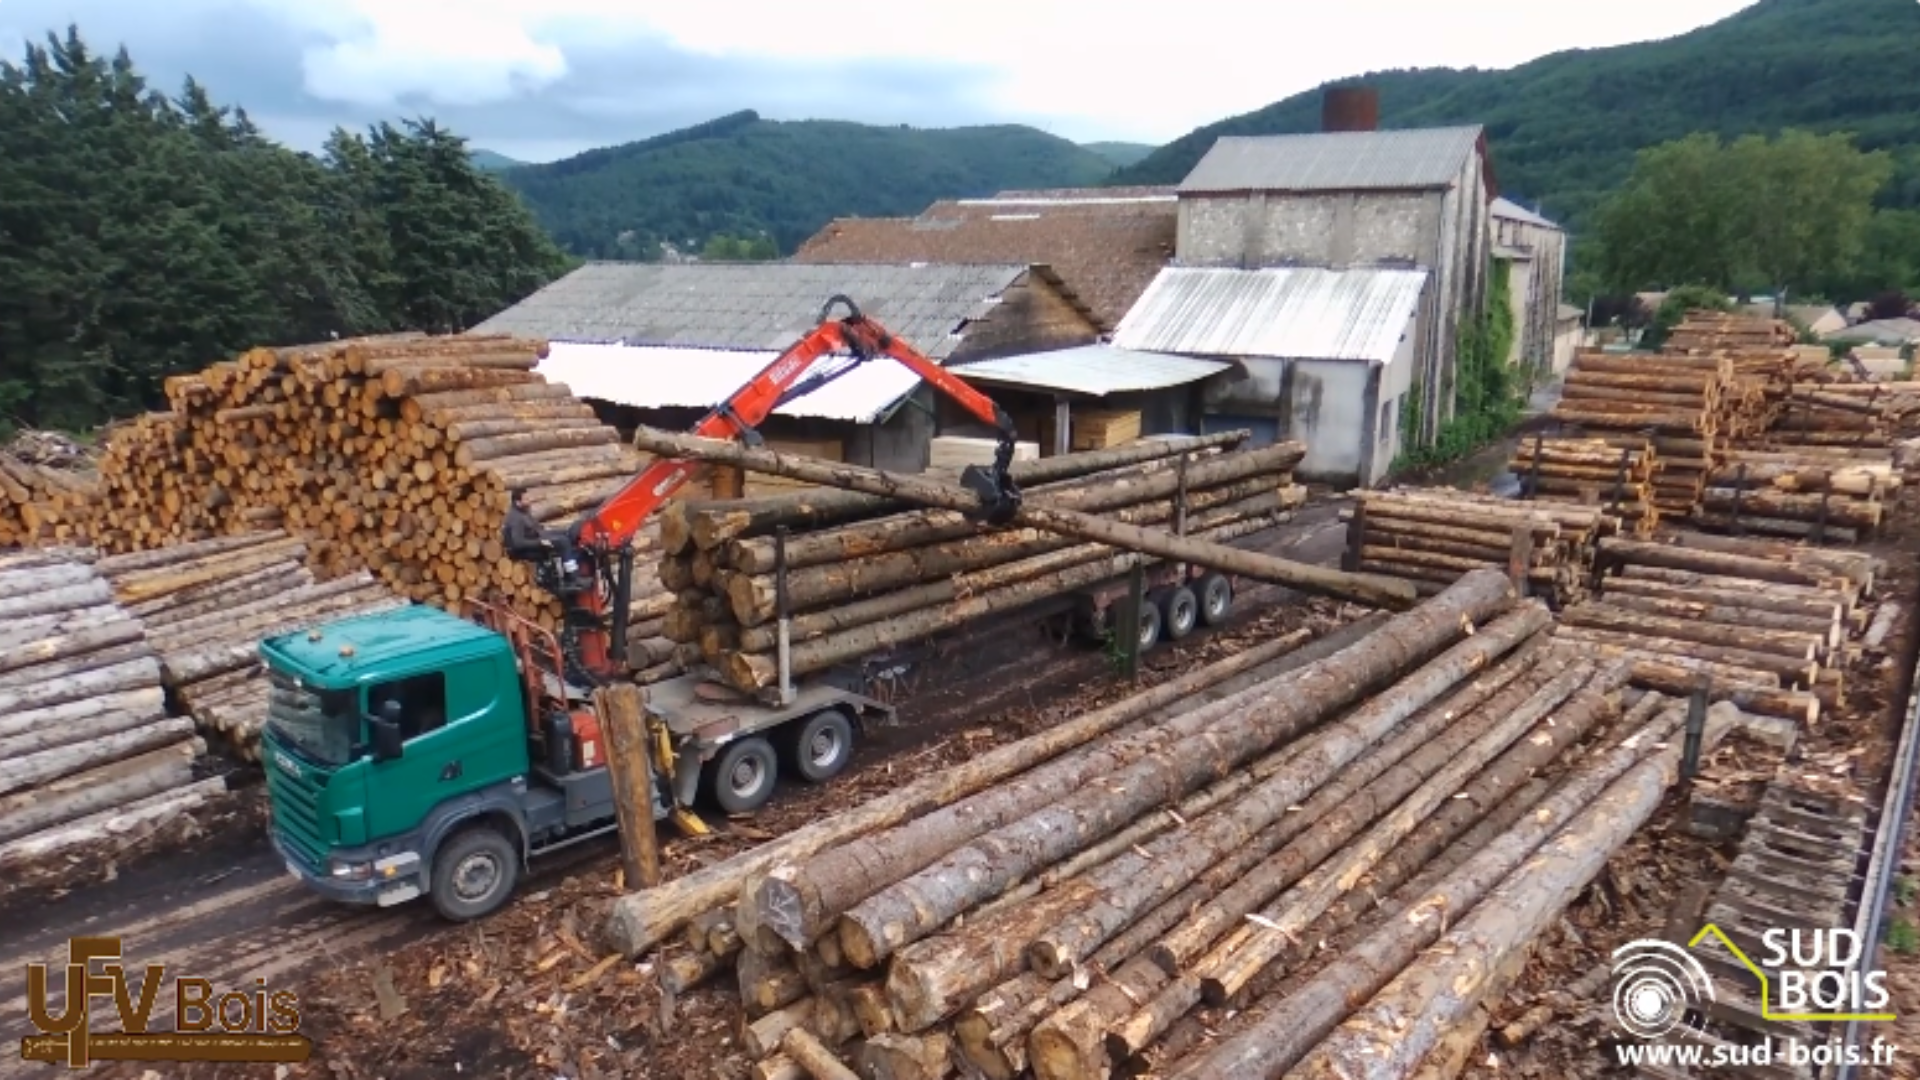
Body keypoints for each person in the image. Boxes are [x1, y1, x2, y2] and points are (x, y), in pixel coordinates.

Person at [502, 488, 551, 561]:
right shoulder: (516, 517)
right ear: (517, 502)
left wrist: (544, 529)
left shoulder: (524, 511)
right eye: (526, 499)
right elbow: (518, 543)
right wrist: (539, 543)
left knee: (562, 536)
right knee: (560, 543)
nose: (529, 500)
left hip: (533, 541)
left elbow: (535, 526)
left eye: (529, 498)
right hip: (520, 552)